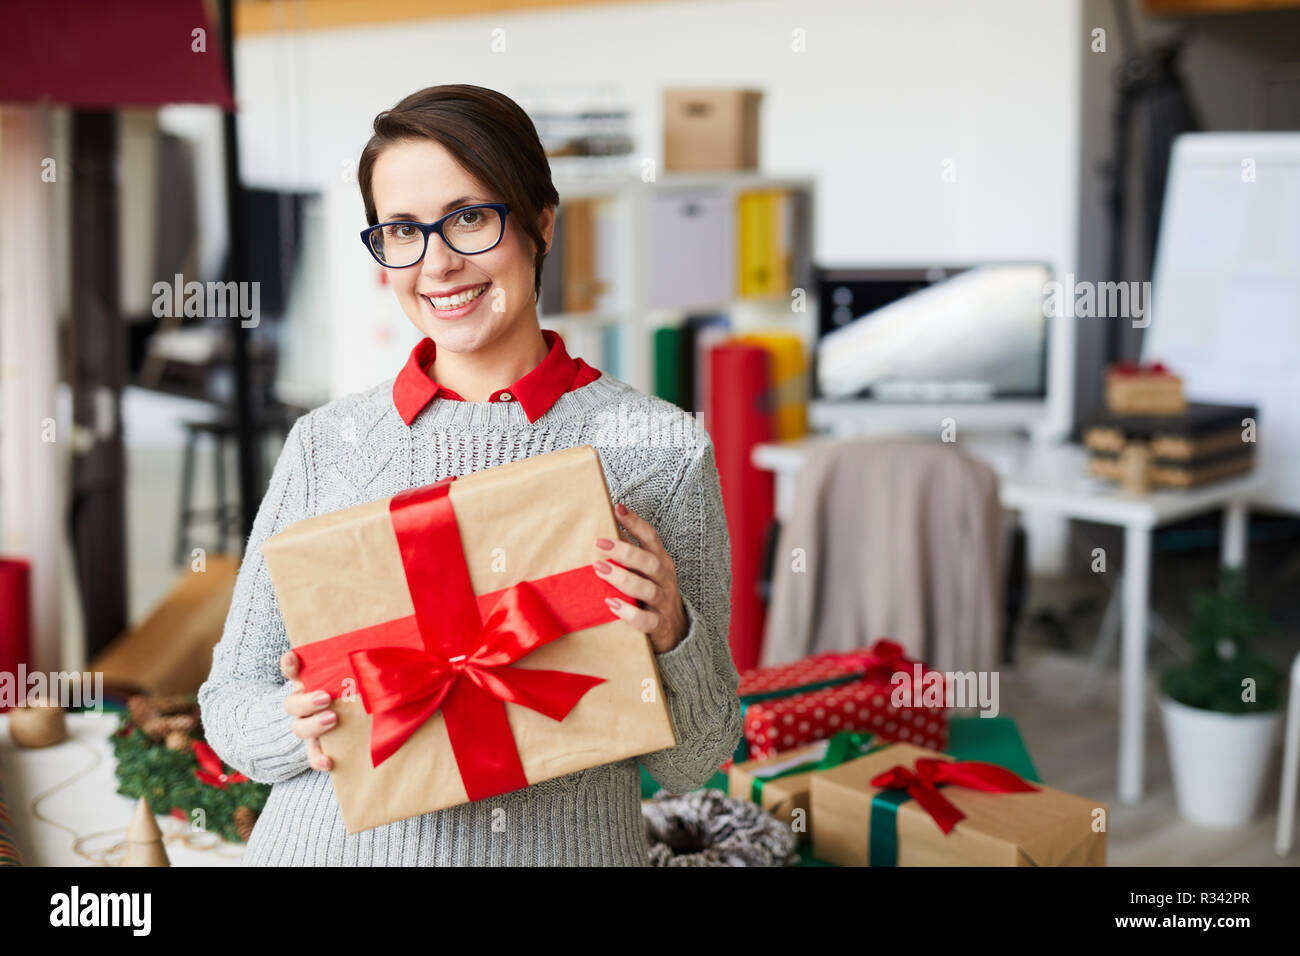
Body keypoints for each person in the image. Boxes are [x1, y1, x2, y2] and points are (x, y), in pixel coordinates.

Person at [197, 84, 742, 866]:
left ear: (540, 222)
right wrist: (301, 723)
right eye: (402, 232)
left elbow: (696, 761)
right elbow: (228, 702)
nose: (439, 262)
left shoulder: (659, 447)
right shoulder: (328, 443)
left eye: (470, 218)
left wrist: (672, 634)